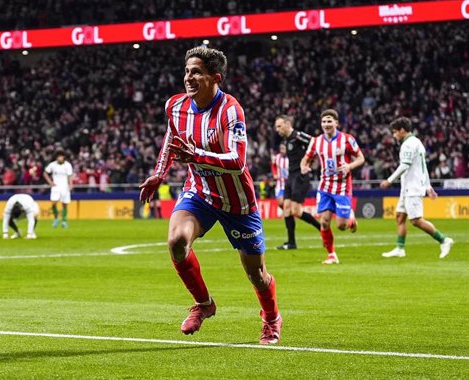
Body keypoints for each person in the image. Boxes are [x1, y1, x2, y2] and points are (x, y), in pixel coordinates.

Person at [139, 46, 281, 345]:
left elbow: (237, 161)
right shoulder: (176, 106)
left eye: (196, 72)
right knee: (177, 242)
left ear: (215, 77)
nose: (188, 77)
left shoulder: (231, 109)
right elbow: (171, 140)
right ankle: (204, 304)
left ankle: (271, 319)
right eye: (187, 71)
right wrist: (159, 173)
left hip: (237, 202)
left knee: (256, 275)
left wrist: (198, 155)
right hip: (200, 192)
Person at [380, 117, 453, 258]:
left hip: (412, 187)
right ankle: (400, 249)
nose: (394, 135)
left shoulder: (407, 145)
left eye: (395, 132)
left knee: (416, 220)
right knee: (400, 217)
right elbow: (423, 166)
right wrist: (428, 185)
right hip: (408, 186)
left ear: (402, 130)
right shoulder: (417, 142)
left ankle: (444, 240)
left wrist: (389, 180)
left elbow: (405, 165)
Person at [300, 109, 365, 265]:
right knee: (324, 222)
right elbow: (306, 159)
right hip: (325, 186)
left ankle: (350, 216)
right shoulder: (316, 141)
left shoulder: (347, 139)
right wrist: (304, 167)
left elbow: (361, 158)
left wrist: (349, 166)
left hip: (342, 186)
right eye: (324, 121)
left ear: (336, 123)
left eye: (329, 121)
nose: (326, 124)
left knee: (341, 226)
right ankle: (331, 255)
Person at [274, 115, 322, 249]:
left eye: (279, 126)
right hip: (291, 177)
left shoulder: (298, 136)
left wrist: (310, 163)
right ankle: (291, 243)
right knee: (287, 209)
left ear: (288, 123)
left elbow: (316, 144)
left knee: (295, 210)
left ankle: (321, 228)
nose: (277, 129)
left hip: (300, 177)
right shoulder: (287, 140)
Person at [43, 150, 73, 228]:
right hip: (56, 187)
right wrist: (50, 182)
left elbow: (69, 176)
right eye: (58, 156)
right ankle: (56, 218)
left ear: (63, 157)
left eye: (61, 156)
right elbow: (45, 173)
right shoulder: (52, 165)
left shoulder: (68, 165)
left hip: (65, 186)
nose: (59, 158)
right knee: (53, 203)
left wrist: (71, 184)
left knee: (64, 204)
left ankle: (64, 221)